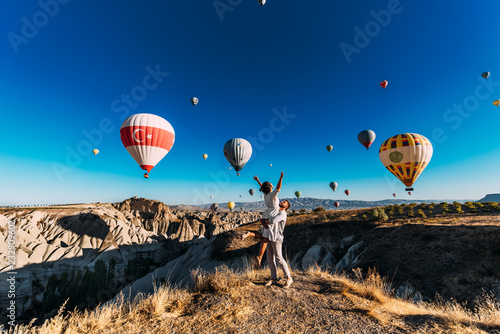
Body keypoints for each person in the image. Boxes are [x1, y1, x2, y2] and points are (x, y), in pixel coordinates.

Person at [241, 172, 284, 266]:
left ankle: (250, 234)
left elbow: (262, 187)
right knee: (266, 238)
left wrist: (258, 180)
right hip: (272, 215)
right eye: (270, 184)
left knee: (264, 237)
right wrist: (281, 177)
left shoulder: (265, 194)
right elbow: (279, 187)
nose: (272, 184)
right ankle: (259, 257)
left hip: (267, 214)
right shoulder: (273, 195)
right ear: (270, 187)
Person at [264, 200, 292, 288]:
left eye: (285, 202)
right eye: (283, 201)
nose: (282, 201)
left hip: (277, 238)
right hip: (270, 237)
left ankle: (289, 278)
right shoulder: (276, 211)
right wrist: (266, 220)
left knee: (279, 258)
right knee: (270, 258)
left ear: (286, 206)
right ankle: (273, 278)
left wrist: (265, 220)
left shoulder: (282, 214)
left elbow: (272, 221)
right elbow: (268, 218)